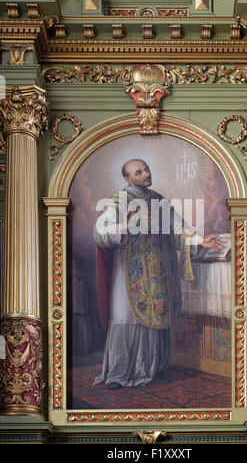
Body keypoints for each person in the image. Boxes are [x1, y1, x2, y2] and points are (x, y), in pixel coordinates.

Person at [93, 159, 223, 389]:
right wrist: (124, 226)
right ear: (127, 179)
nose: (146, 174)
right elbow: (100, 233)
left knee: (156, 312)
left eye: (146, 169)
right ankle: (118, 373)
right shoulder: (118, 201)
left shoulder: (159, 200)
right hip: (129, 270)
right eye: (139, 172)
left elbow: (178, 227)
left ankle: (152, 366)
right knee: (126, 316)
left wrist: (200, 240)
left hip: (158, 269)